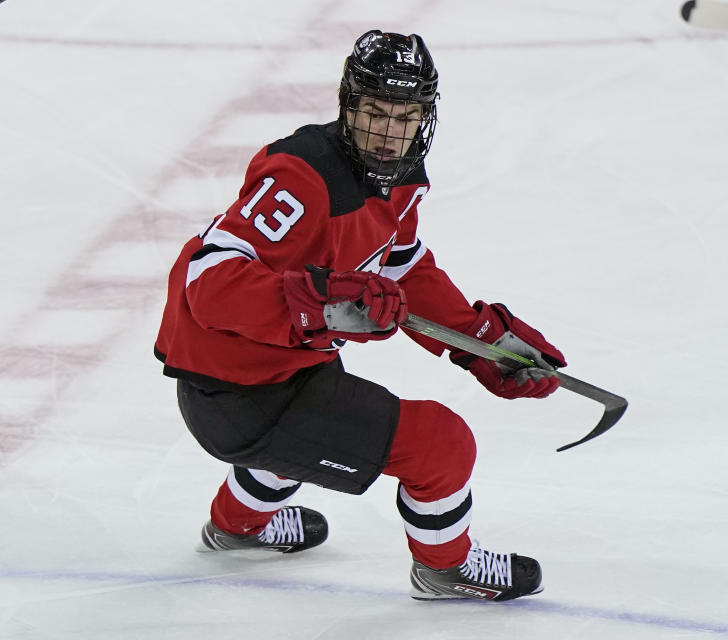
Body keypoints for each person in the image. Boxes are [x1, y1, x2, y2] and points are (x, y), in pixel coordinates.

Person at [155, 29, 566, 602]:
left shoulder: (400, 180)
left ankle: (235, 527)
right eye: (375, 112)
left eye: (406, 116)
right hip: (235, 390)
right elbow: (209, 280)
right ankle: (446, 568)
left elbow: (404, 268)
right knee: (440, 445)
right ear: (348, 106)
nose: (389, 134)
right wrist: (320, 301)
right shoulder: (300, 176)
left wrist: (481, 341)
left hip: (288, 368)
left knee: (297, 448)